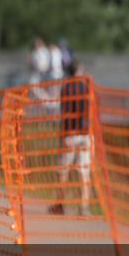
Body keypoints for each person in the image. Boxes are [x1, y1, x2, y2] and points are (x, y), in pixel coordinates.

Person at [52, 61, 93, 216]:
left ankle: (60, 204)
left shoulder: (66, 88)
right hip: (85, 134)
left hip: (70, 133)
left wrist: (63, 134)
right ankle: (84, 206)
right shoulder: (87, 87)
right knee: (84, 171)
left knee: (63, 170)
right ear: (79, 71)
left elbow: (65, 113)